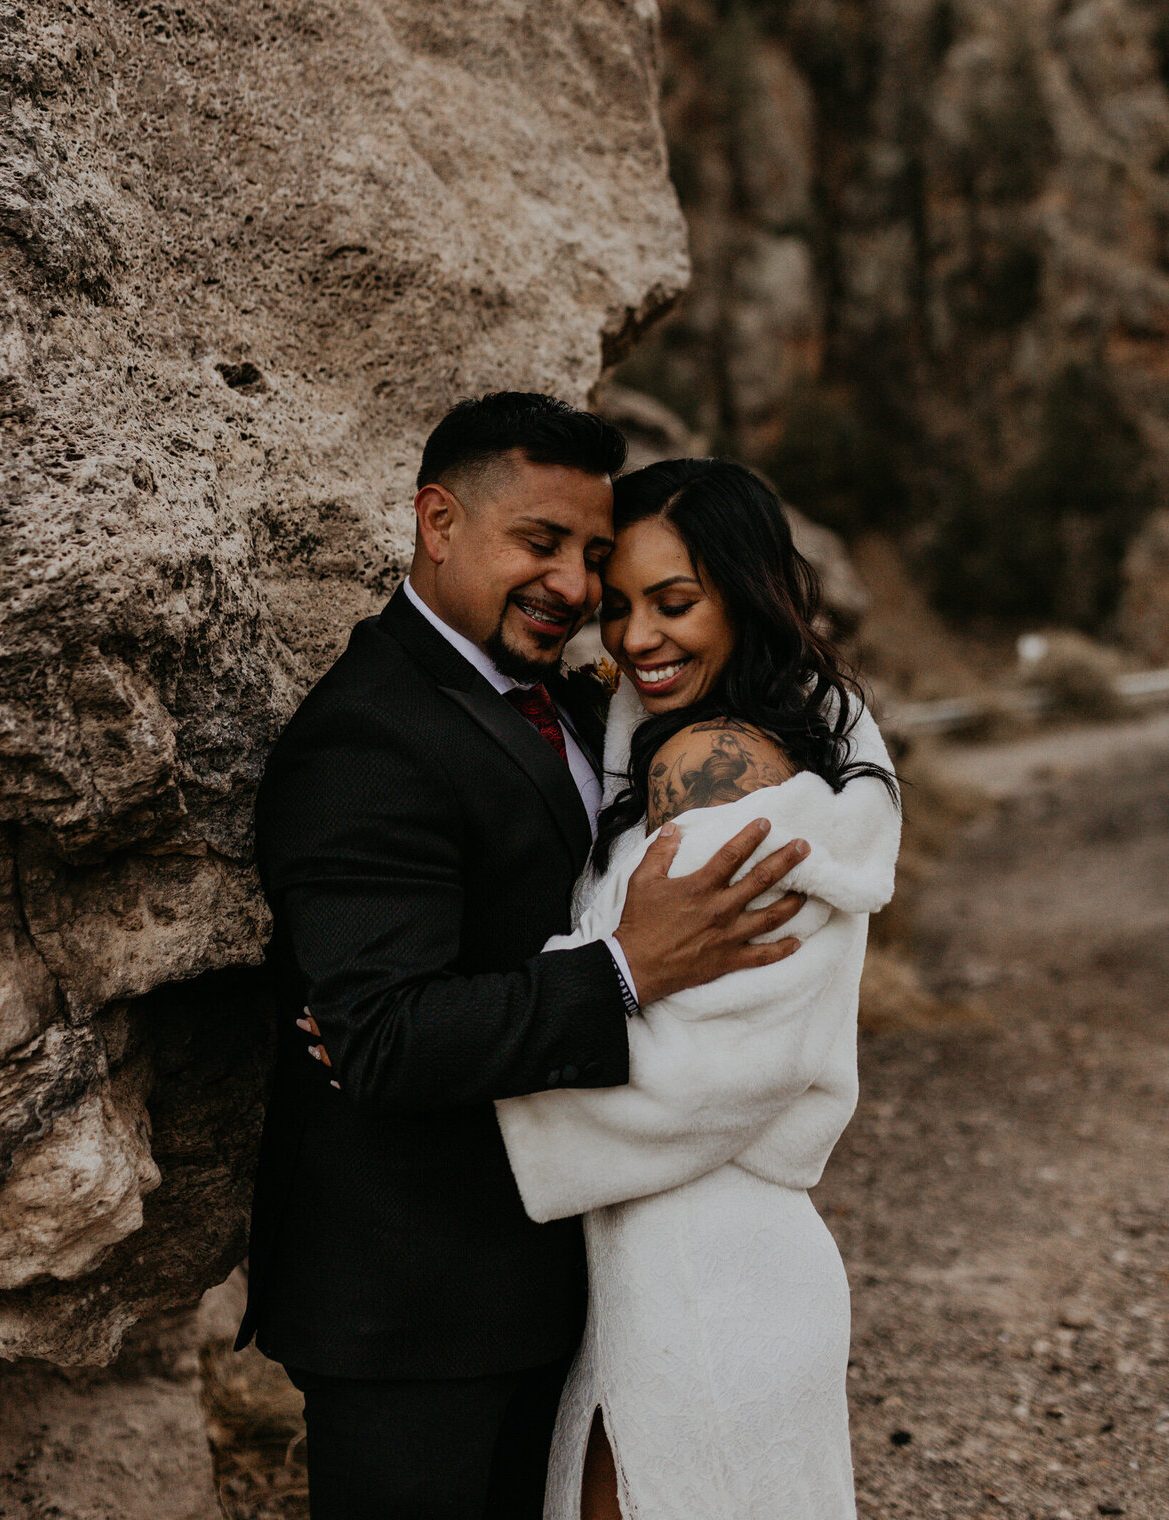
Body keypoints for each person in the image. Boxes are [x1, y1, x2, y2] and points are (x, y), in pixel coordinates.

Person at [237, 396, 812, 1520]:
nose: (574, 585)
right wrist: (628, 968)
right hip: (413, 1312)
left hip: (547, 1279)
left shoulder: (560, 701)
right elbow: (385, 1038)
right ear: (438, 522)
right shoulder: (368, 734)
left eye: (593, 554)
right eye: (539, 542)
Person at [495, 458, 902, 1520]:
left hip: (706, 1279)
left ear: (748, 592)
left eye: (677, 603)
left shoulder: (710, 771)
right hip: (689, 1263)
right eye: (620, 607)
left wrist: (459, 1052)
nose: (637, 640)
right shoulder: (730, 748)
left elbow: (704, 1064)